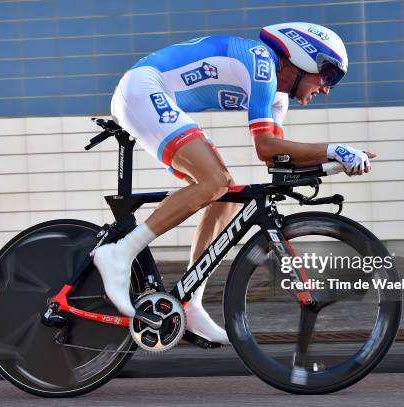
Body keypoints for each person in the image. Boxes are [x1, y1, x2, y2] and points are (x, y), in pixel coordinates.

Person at [94, 22, 375, 345]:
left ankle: (189, 302)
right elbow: (266, 148)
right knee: (214, 182)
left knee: (225, 194)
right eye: (329, 75)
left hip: (156, 96)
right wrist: (332, 149)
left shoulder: (277, 100)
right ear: (304, 57)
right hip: (143, 89)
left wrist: (334, 163)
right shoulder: (260, 62)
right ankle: (121, 251)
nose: (328, 88)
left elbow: (274, 157)